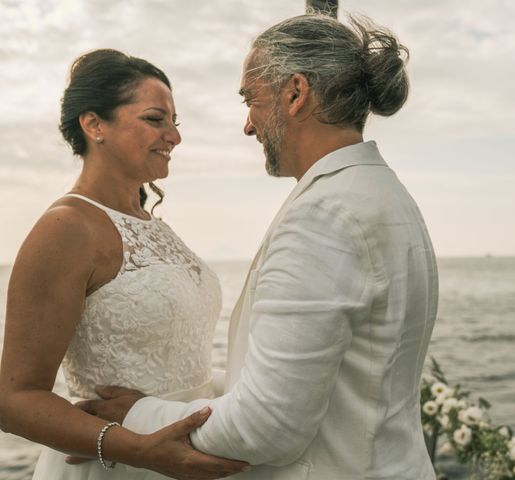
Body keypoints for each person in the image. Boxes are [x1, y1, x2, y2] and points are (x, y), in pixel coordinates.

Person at [83, 13, 439, 480]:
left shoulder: (322, 217)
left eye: (251, 99)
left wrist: (138, 416)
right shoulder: (388, 195)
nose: (248, 126)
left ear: (295, 93)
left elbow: (267, 427)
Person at [0, 49, 248, 479]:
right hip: (125, 465)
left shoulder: (154, 227)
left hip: (187, 452)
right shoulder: (66, 228)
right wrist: (140, 449)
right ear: (94, 124)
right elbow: (14, 398)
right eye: (155, 119)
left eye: (175, 122)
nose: (174, 136)